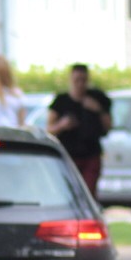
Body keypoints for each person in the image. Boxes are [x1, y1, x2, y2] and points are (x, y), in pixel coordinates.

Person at [47, 64, 112, 196]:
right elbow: (49, 129)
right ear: (71, 80)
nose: (80, 84)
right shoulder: (61, 101)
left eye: (83, 80)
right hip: (68, 154)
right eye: (77, 80)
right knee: (68, 192)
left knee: (88, 192)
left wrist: (97, 109)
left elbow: (109, 126)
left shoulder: (97, 99)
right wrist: (62, 125)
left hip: (91, 154)